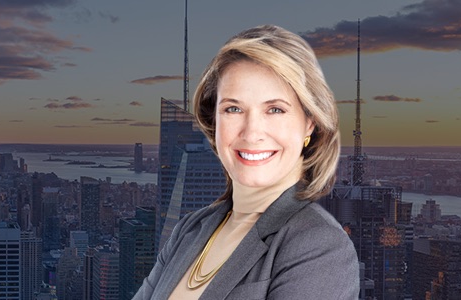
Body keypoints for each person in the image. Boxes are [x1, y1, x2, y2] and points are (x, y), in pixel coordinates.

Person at [133, 24, 358, 299]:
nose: (251, 132)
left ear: (310, 123)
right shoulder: (191, 229)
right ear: (213, 122)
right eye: (233, 109)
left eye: (275, 109)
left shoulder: (319, 245)